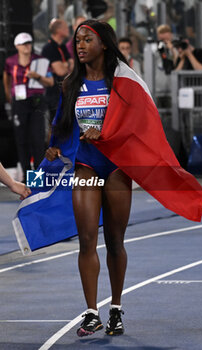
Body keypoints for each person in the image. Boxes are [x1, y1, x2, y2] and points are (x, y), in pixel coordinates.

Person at [46, 20, 131, 337]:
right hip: (86, 165)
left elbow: (136, 124)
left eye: (87, 39)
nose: (79, 45)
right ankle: (92, 312)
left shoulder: (122, 82)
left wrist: (105, 131)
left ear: (104, 44)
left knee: (115, 241)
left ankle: (116, 309)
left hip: (117, 167)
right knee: (86, 240)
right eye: (77, 40)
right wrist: (53, 146)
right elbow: (60, 123)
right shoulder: (71, 84)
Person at [3, 32, 54, 182]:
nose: (27, 46)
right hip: (19, 101)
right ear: (17, 46)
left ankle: (37, 177)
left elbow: (50, 82)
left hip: (36, 100)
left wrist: (37, 76)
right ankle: (26, 175)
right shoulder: (11, 61)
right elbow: (6, 79)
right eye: (24, 44)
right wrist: (9, 97)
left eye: (29, 43)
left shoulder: (40, 61)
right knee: (21, 139)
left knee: (37, 139)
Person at [42, 19, 74, 124]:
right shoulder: (49, 48)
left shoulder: (63, 46)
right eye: (65, 27)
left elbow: (72, 66)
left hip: (66, 91)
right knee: (55, 124)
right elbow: (60, 71)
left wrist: (64, 65)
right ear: (59, 30)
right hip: (54, 93)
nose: (68, 29)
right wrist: (66, 65)